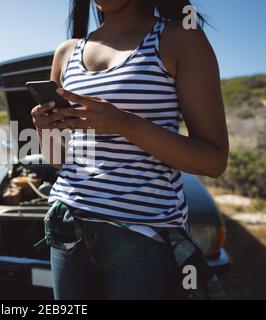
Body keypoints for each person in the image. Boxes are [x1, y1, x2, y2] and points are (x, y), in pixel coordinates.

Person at [31, 0, 229, 299]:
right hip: (68, 227)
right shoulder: (66, 51)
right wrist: (44, 128)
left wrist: (124, 123)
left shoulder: (181, 38)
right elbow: (58, 160)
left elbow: (213, 161)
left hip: (144, 236)